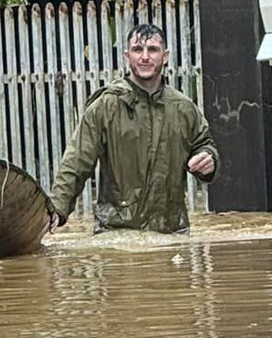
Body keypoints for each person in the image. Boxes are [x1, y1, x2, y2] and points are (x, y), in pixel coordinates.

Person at [49, 23, 217, 233]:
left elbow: (205, 146)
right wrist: (56, 209)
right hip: (115, 233)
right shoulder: (106, 105)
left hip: (172, 233)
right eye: (138, 50)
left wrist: (208, 159)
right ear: (127, 56)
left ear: (165, 56)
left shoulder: (184, 108)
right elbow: (76, 162)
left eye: (152, 50)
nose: (145, 57)